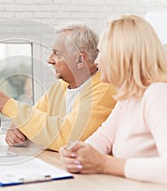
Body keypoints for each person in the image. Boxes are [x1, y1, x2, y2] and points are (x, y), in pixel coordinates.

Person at [59, 15, 167, 184]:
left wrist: (103, 164)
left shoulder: (157, 95)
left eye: (100, 52)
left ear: (120, 55)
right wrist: (77, 154)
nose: (96, 60)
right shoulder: (129, 98)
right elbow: (103, 138)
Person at [0, 23, 116, 151]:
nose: (49, 59)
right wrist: (17, 129)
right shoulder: (60, 86)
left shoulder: (105, 89)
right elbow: (33, 118)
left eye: (57, 53)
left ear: (79, 60)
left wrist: (8, 106)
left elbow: (68, 137)